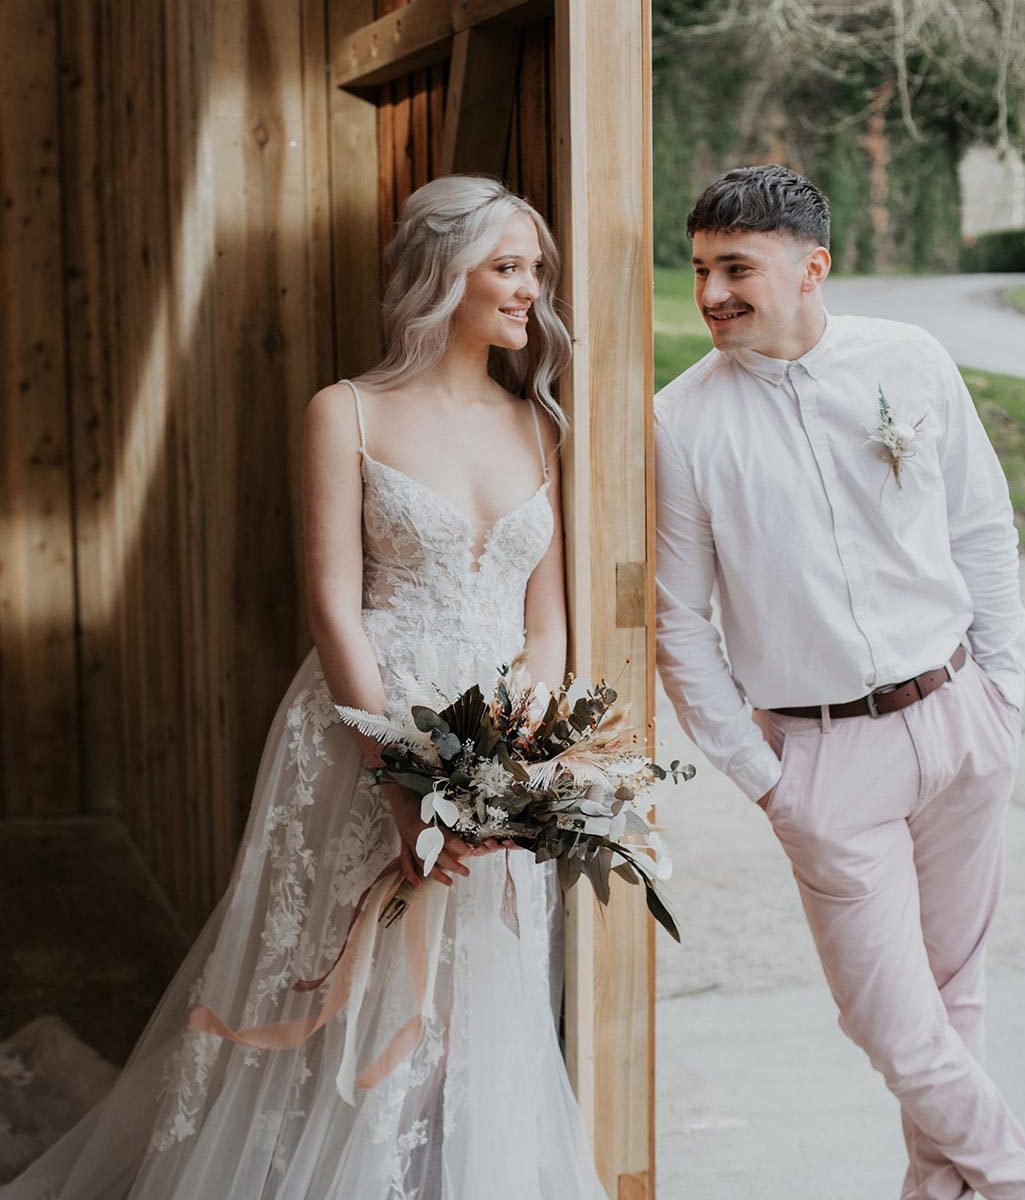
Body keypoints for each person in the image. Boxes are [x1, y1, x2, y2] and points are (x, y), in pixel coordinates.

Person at [1, 175, 607, 1200]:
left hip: (499, 753)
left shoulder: (535, 424)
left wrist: (514, 765)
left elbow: (544, 620)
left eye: (535, 269)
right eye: (508, 267)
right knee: (341, 984)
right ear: (438, 275)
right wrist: (401, 780)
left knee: (475, 999)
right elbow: (333, 604)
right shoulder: (347, 412)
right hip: (361, 731)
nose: (530, 291)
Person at [654, 164, 1025, 1199]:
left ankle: (937, 1188)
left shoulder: (907, 361)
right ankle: (1013, 1177)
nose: (708, 294)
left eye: (733, 267)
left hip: (958, 715)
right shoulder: (680, 422)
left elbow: (979, 526)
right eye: (698, 269)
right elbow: (676, 619)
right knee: (884, 1014)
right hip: (823, 756)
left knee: (949, 999)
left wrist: (1000, 689)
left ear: (811, 266)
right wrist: (766, 778)